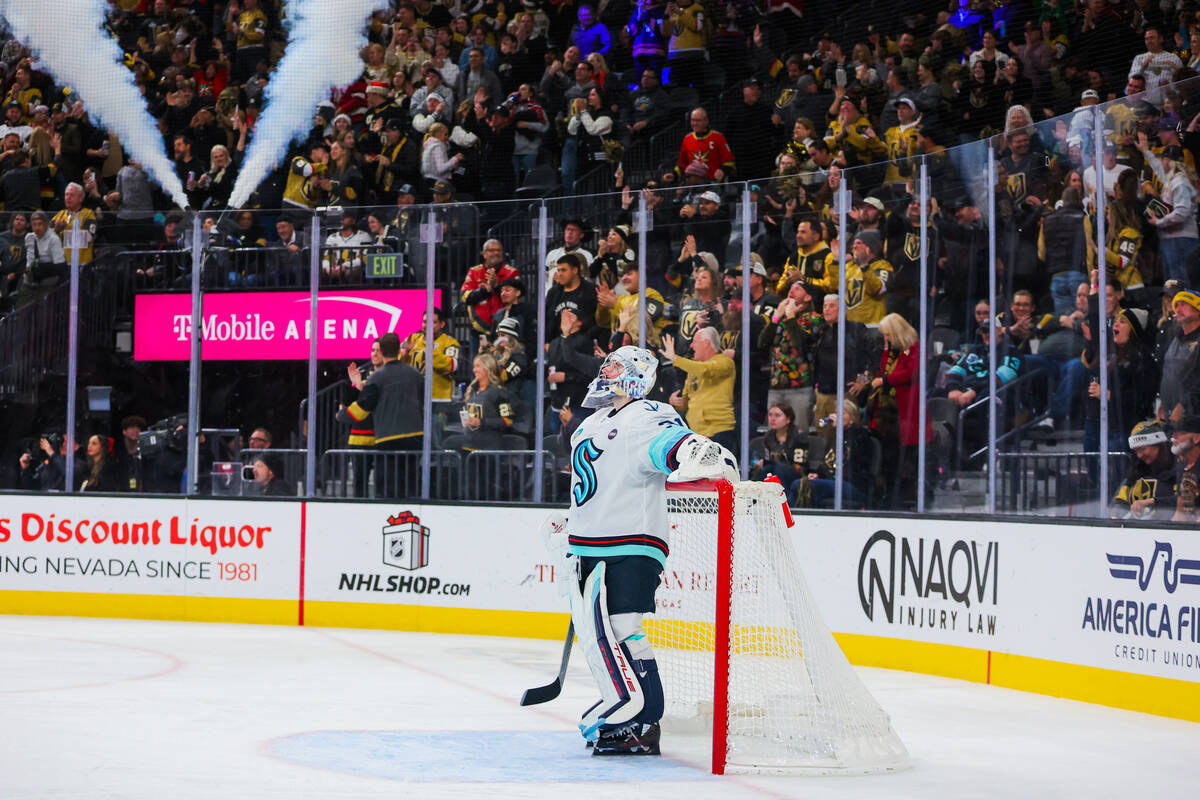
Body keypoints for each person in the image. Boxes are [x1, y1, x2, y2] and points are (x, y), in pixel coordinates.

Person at [540, 345, 737, 756]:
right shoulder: (589, 424)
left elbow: (674, 444)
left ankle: (644, 722)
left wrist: (697, 452)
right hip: (588, 541)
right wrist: (571, 519)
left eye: (616, 366)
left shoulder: (649, 414)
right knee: (599, 635)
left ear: (637, 375)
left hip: (631, 539)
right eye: (606, 364)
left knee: (623, 625)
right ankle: (625, 713)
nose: (606, 370)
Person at [337, 333, 425, 497]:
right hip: (416, 438)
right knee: (411, 485)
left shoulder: (376, 378)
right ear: (398, 350)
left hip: (388, 439)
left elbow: (361, 410)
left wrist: (342, 414)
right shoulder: (415, 374)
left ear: (382, 352)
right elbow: (424, 403)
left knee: (387, 490)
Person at [869, 314, 934, 510]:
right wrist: (886, 350)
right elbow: (883, 369)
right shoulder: (893, 350)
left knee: (907, 460)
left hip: (907, 410)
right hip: (888, 414)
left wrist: (885, 381)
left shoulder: (915, 348)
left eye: (888, 335)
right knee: (889, 458)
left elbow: (910, 373)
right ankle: (890, 496)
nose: (886, 339)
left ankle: (908, 497)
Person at [661, 327, 737, 452]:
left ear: (706, 342)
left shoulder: (725, 362)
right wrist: (675, 402)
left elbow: (705, 370)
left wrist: (675, 358)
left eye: (695, 341)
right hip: (696, 434)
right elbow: (685, 404)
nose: (691, 345)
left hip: (719, 431)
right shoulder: (693, 369)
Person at [442, 354, 516, 451]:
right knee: (448, 442)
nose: (474, 370)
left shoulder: (498, 392)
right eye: (474, 367)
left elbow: (508, 421)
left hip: (488, 445)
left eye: (478, 366)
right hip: (470, 442)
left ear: (488, 368)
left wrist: (481, 422)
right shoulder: (473, 391)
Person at [1112, 420, 1176, 520]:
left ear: (1159, 444)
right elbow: (1121, 499)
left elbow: (1182, 501)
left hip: (1168, 526)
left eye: (1142, 449)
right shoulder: (1136, 467)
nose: (1139, 455)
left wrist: (1153, 502)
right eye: (1136, 451)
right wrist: (1116, 515)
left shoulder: (1178, 467)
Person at [1171, 415, 1200, 522]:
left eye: (1181, 433)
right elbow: (1180, 512)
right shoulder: (1182, 466)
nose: (1174, 437)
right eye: (1174, 433)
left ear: (1197, 438)